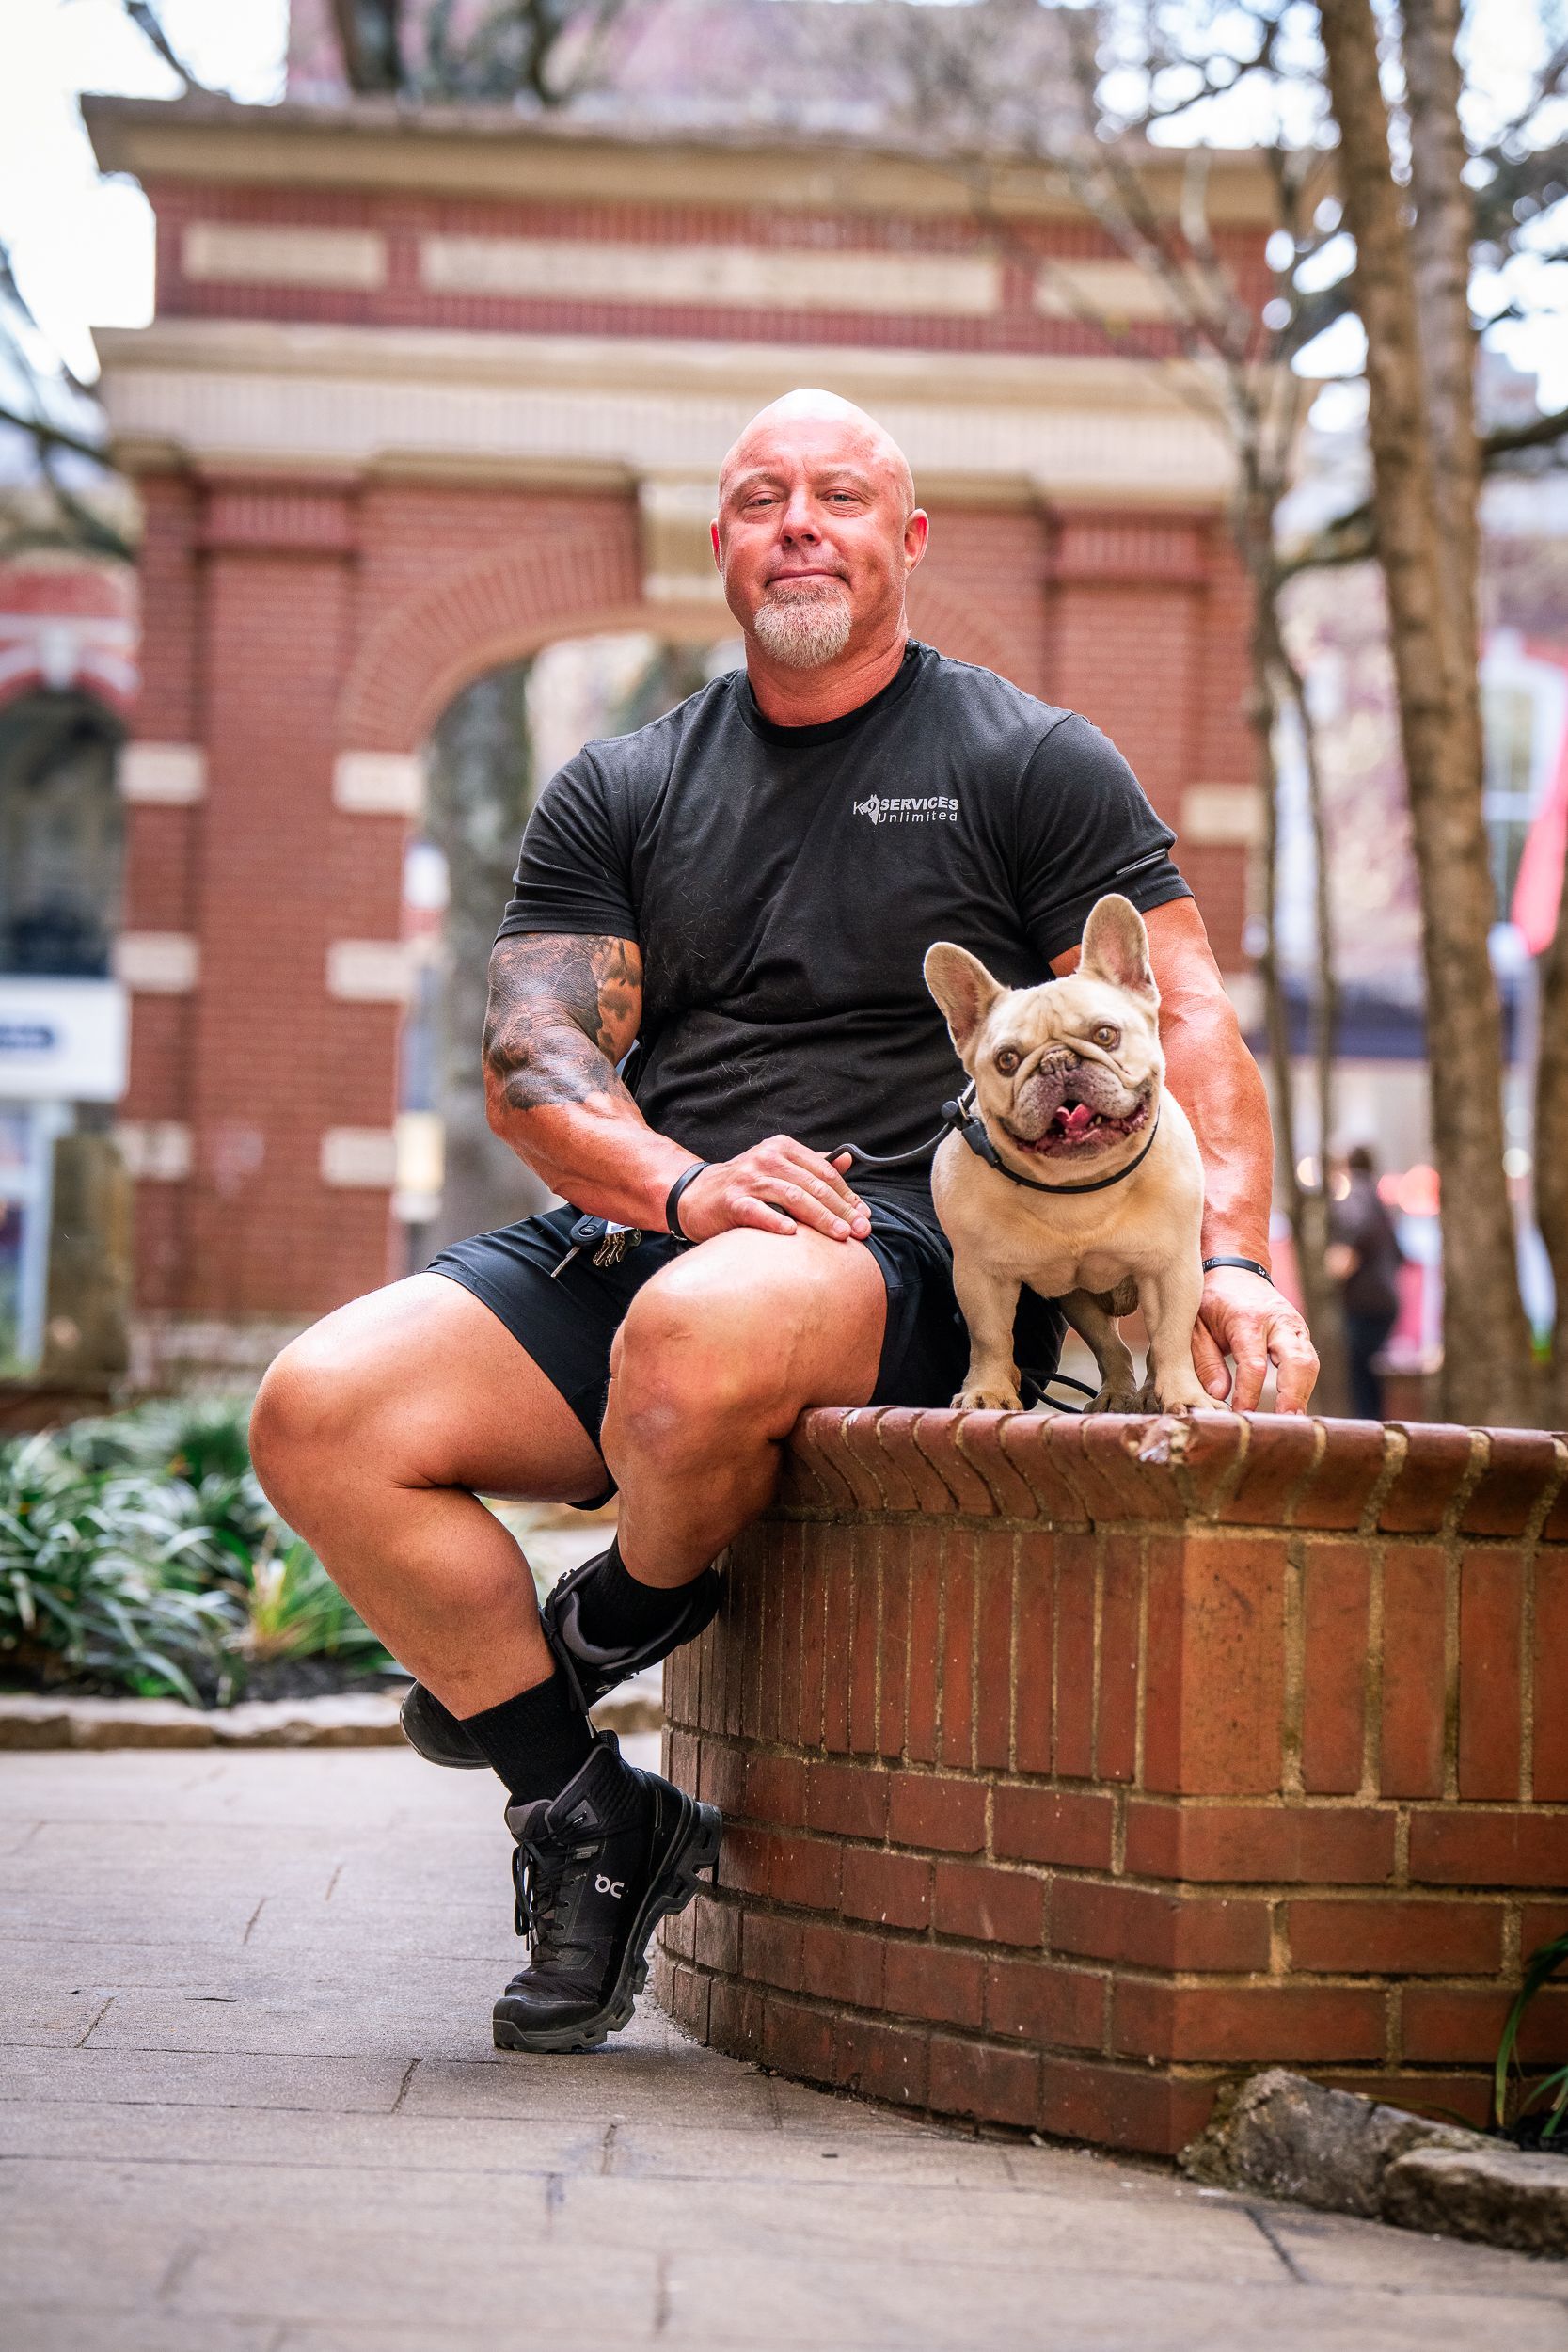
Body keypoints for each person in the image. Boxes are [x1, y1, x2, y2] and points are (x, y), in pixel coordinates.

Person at [250, 389, 1318, 2055]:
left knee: (699, 1327)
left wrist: (1233, 1255)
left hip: (906, 1242)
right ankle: (589, 1813)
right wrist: (679, 1183)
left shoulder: (1025, 760)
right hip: (662, 1221)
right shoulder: (620, 782)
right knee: (317, 1413)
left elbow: (1180, 1015)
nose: (796, 523)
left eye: (837, 495)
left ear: (905, 541)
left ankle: (620, 1606)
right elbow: (534, 1063)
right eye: (760, 498)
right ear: (723, 547)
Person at [1327, 1144, 1405, 1421]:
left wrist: (1340, 1261)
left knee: (1363, 1380)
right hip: (1387, 1298)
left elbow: (1353, 1231)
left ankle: (1368, 1437)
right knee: (1374, 1375)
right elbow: (1400, 1254)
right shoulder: (1380, 1200)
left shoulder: (1353, 1194)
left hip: (1365, 1302)